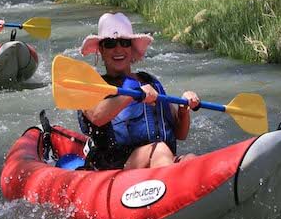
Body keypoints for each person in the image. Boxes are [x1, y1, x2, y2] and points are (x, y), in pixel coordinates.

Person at [77, 12, 200, 170]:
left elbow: (180, 134)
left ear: (131, 47)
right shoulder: (92, 86)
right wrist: (132, 96)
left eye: (124, 42)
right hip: (115, 168)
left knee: (191, 159)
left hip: (159, 160)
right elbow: (97, 116)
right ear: (101, 49)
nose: (118, 49)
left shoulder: (149, 81)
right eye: (110, 44)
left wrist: (184, 110)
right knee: (159, 150)